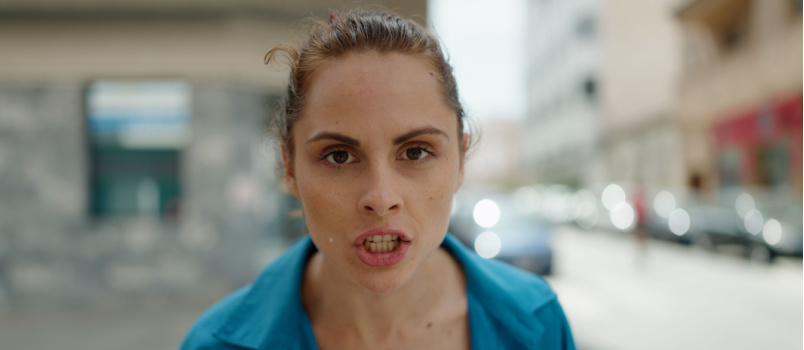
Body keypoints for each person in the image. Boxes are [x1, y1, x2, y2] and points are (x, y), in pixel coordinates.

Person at [180, 8, 575, 349]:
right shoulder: (214, 343)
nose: (381, 197)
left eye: (416, 152)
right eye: (338, 156)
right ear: (289, 167)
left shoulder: (537, 323)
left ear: (460, 161)